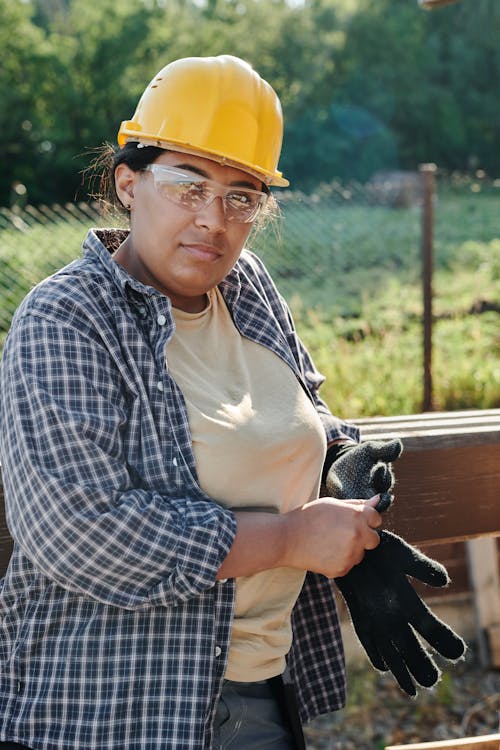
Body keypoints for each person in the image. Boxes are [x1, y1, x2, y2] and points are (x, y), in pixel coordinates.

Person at [0, 55, 389, 750]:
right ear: (129, 182)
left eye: (242, 196)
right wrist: (293, 539)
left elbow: (307, 415)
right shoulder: (67, 319)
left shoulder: (247, 288)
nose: (213, 219)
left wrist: (346, 468)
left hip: (261, 686)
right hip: (114, 706)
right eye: (188, 185)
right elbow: (77, 530)